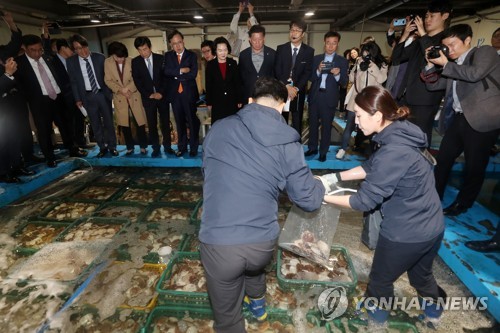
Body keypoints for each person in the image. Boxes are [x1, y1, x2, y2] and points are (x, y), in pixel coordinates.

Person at [200, 76, 325, 333]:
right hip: (261, 245)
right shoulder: (289, 142)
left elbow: (208, 174)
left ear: (249, 102)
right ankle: (258, 306)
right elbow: (310, 200)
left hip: (219, 245)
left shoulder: (219, 128)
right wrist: (319, 183)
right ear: (281, 106)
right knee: (252, 268)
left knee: (228, 320)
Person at [321, 86, 446, 327]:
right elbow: (371, 167)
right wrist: (333, 179)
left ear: (378, 116)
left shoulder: (393, 151)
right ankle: (434, 313)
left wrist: (321, 196)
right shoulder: (400, 132)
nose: (355, 121)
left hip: (405, 232)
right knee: (421, 276)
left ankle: (375, 319)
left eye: (358, 115)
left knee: (379, 280)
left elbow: (363, 201)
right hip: (432, 225)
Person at [422, 24, 500, 216]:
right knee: (443, 160)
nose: (450, 49)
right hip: (459, 118)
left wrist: (446, 64)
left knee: (474, 167)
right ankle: (433, 197)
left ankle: (463, 204)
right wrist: (431, 65)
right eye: (446, 46)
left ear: (467, 40)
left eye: (453, 44)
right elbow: (434, 86)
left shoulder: (485, 52)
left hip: (482, 119)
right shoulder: (453, 65)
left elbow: (474, 74)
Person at [14, 34, 87, 168]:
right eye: (33, 50)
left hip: (58, 97)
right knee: (44, 130)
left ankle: (73, 149)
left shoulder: (49, 58)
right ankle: (50, 157)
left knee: (66, 125)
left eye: (39, 49)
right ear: (24, 48)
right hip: (40, 101)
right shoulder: (19, 64)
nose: (37, 53)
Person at [391, 0, 453, 146]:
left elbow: (434, 56)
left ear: (444, 16)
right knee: (401, 137)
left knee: (419, 140)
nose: (427, 20)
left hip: (425, 101)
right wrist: (405, 34)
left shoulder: (446, 40)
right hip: (405, 97)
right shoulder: (420, 40)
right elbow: (396, 58)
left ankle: (420, 168)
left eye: (432, 16)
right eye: (426, 16)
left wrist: (424, 35)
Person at [66, 34, 118, 158]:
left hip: (102, 94)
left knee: (109, 122)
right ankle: (102, 147)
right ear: (74, 50)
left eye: (84, 47)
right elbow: (73, 81)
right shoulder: (71, 62)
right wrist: (78, 99)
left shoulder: (100, 58)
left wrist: (110, 93)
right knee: (95, 124)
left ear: (87, 46)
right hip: (87, 96)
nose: (82, 51)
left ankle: (112, 147)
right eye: (78, 48)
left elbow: (108, 76)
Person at [337, 41, 388, 160]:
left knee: (372, 127)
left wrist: (372, 66)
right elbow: (351, 78)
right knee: (349, 125)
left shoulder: (382, 64)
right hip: (356, 98)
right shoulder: (359, 62)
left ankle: (373, 152)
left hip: (371, 101)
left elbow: (381, 79)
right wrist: (358, 67)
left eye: (367, 54)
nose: (365, 56)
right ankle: (342, 149)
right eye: (364, 54)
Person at [0, 11, 34, 183]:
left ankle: (17, 165)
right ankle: (5, 172)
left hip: (12, 104)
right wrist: (7, 75)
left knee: (15, 137)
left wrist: (10, 23)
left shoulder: (3, 53)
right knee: (3, 141)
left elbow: (16, 40)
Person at [306, 31, 348, 162]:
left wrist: (337, 75)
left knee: (326, 127)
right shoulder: (316, 59)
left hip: (329, 98)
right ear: (324, 43)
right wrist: (318, 70)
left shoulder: (342, 61)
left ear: (338, 44)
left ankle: (323, 152)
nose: (330, 46)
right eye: (328, 43)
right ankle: (312, 148)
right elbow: (310, 78)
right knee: (312, 124)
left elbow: (344, 83)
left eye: (334, 43)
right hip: (315, 96)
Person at [132, 36, 175, 157]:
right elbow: (137, 81)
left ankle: (167, 147)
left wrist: (161, 93)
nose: (143, 52)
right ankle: (156, 148)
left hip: (162, 97)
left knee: (165, 123)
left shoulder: (161, 59)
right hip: (148, 99)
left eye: (145, 49)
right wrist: (149, 94)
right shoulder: (136, 62)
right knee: (151, 125)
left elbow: (166, 78)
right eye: (140, 50)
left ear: (150, 47)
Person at [104, 41, 148, 156]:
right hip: (119, 96)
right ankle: (129, 147)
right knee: (124, 123)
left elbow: (137, 77)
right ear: (112, 54)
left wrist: (128, 89)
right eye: (118, 57)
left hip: (133, 94)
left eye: (122, 57)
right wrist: (120, 90)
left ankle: (143, 146)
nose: (121, 60)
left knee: (139, 121)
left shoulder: (132, 60)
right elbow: (107, 80)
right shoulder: (107, 63)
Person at [163, 30, 200, 157]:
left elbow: (193, 74)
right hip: (175, 95)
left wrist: (176, 75)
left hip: (188, 93)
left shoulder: (192, 55)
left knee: (191, 121)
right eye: (174, 44)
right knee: (179, 122)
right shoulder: (168, 56)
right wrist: (181, 71)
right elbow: (166, 71)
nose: (178, 46)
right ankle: (182, 147)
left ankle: (194, 148)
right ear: (170, 45)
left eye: (179, 42)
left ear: (183, 41)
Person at [275, 20, 314, 135]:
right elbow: (277, 69)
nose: (294, 33)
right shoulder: (281, 49)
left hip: (298, 91)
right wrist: (287, 87)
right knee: (282, 120)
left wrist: (295, 89)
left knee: (297, 120)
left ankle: (297, 146)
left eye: (297, 31)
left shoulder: (309, 51)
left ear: (303, 34)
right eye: (292, 30)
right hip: (282, 90)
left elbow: (307, 72)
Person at [205, 37, 243, 124]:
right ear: (215, 51)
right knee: (218, 125)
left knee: (232, 125)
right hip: (217, 101)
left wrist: (239, 99)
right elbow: (208, 85)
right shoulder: (211, 65)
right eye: (220, 50)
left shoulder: (233, 63)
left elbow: (237, 82)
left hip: (232, 101)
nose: (223, 53)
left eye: (225, 50)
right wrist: (209, 103)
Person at [238, 25, 275, 104]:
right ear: (250, 39)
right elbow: (240, 78)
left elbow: (275, 76)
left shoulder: (273, 54)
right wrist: (240, 98)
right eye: (254, 40)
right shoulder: (243, 55)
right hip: (248, 97)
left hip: (267, 96)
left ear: (264, 39)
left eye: (260, 39)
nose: (257, 42)